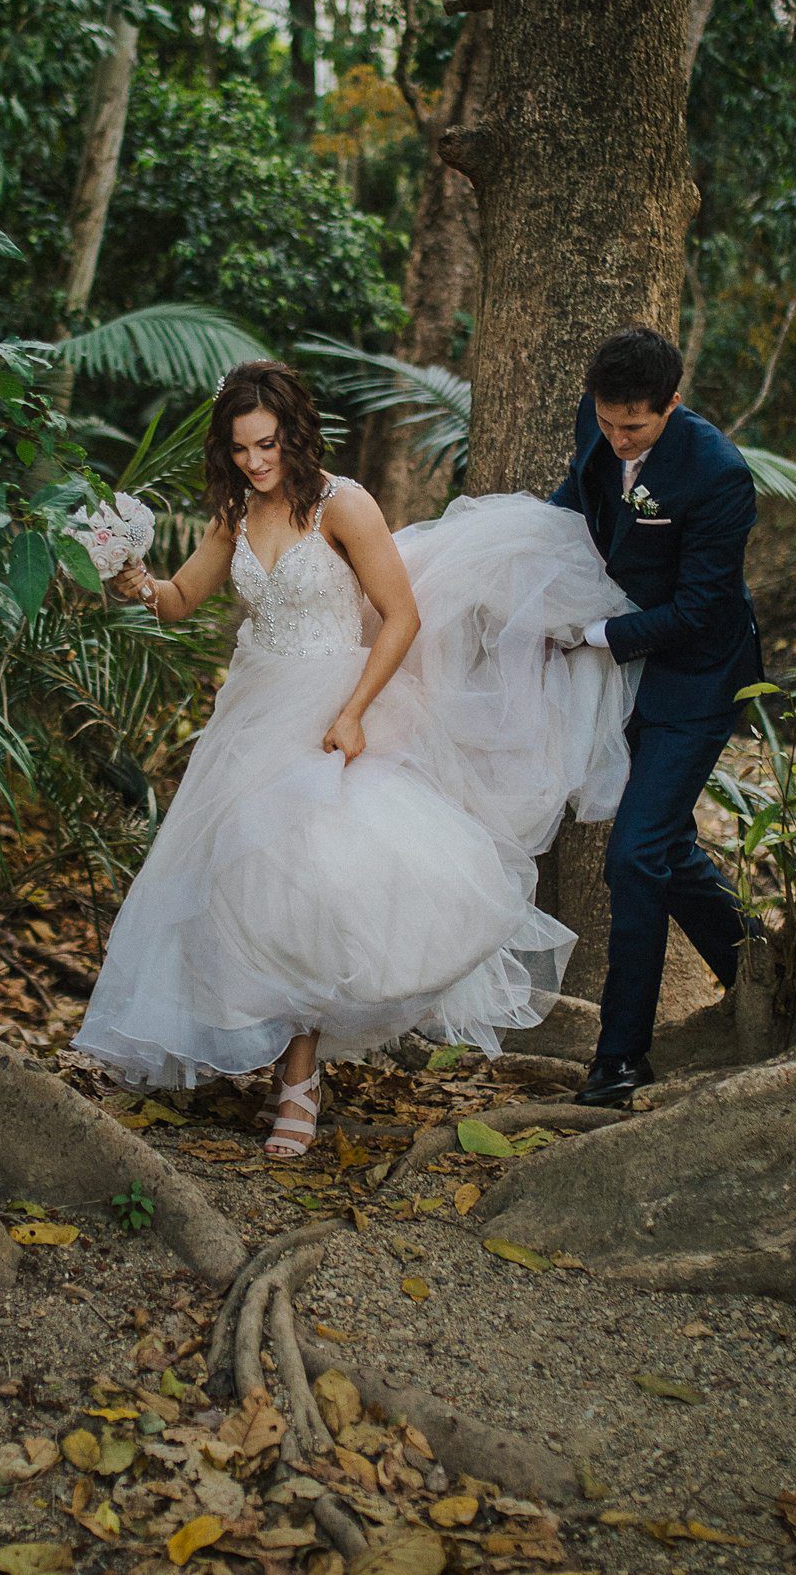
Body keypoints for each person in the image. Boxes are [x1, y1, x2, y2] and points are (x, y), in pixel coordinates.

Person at [73, 361, 637, 1158]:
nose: (255, 462)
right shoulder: (235, 510)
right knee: (240, 884)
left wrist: (352, 712)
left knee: (317, 881)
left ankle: (299, 1082)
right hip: (253, 709)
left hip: (333, 704)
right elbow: (180, 599)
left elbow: (401, 616)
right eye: (240, 448)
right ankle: (259, 1046)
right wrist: (133, 578)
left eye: (267, 444)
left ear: (295, 433)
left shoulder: (345, 504)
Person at [547, 325, 766, 1109]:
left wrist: (592, 635)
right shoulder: (598, 418)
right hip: (618, 673)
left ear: (672, 403)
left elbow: (701, 610)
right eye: (607, 422)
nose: (617, 438)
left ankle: (620, 1060)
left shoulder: (718, 475)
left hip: (693, 678)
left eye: (633, 427)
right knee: (666, 846)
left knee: (636, 855)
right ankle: (762, 974)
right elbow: (578, 499)